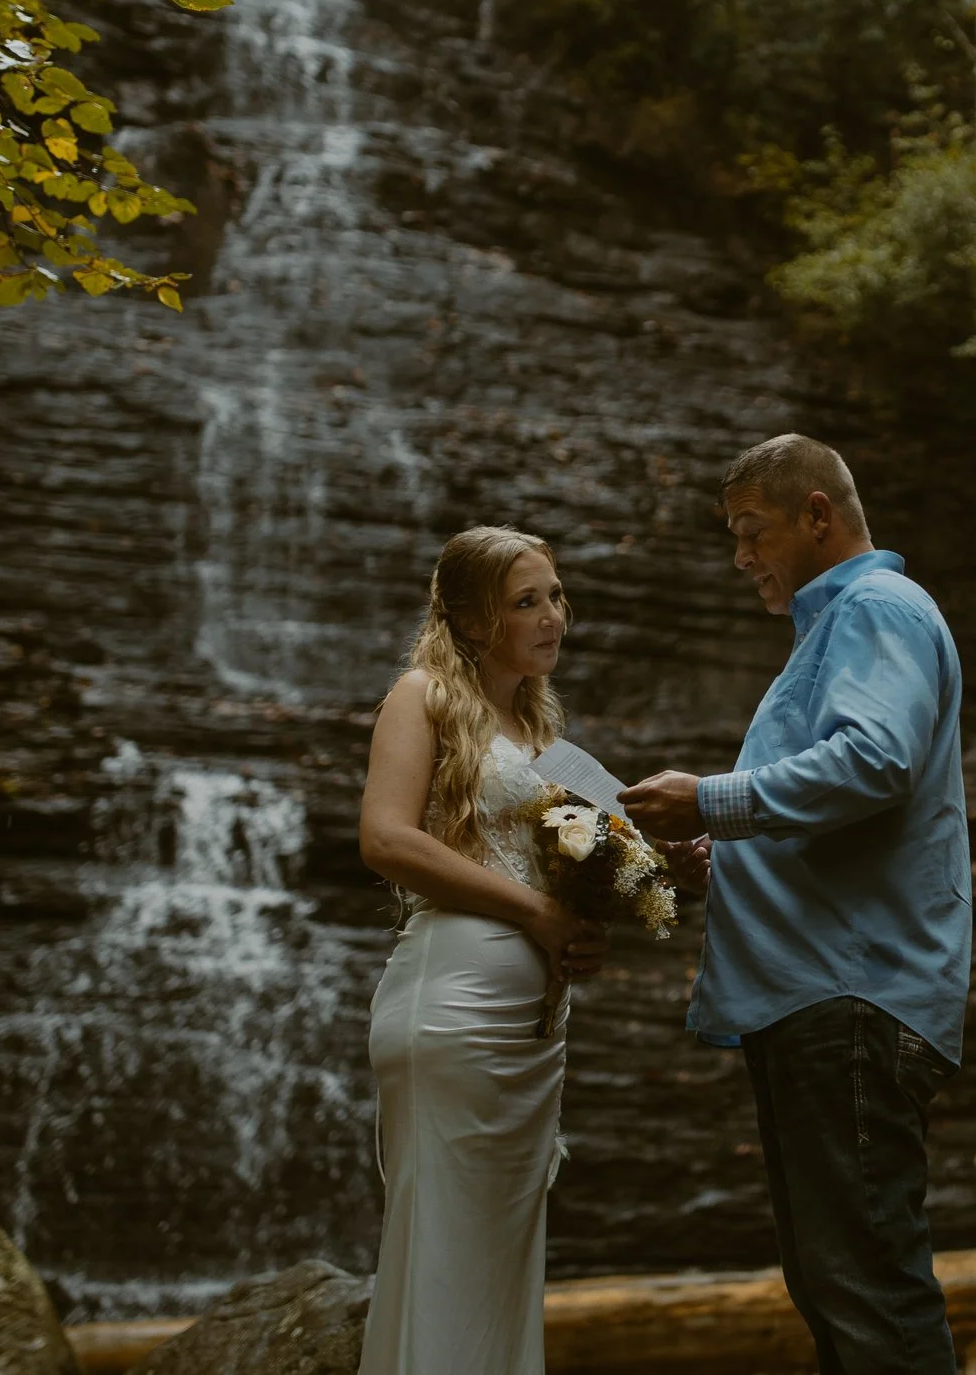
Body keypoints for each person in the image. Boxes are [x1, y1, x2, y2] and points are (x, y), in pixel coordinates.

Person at [621, 435, 971, 1375]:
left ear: (817, 514)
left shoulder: (876, 607)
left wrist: (709, 800)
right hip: (818, 996)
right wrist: (716, 854)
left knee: (868, 1289)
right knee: (836, 1285)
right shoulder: (832, 631)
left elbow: (876, 762)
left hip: (848, 994)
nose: (741, 557)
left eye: (752, 531)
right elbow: (834, 803)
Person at [355, 525, 611, 1375]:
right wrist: (538, 913)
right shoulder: (420, 695)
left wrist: (590, 923)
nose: (553, 616)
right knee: (444, 1257)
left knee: (499, 1270)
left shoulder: (542, 728)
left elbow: (617, 848)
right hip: (453, 1013)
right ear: (471, 619)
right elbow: (386, 839)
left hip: (529, 1037)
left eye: (556, 595)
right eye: (526, 601)